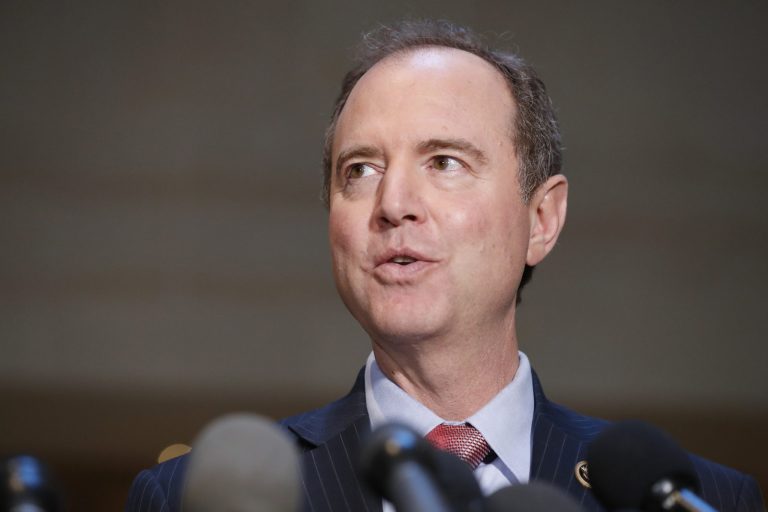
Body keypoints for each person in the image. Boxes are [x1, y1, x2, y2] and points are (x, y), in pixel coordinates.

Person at [126, 20, 765, 512]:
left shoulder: (687, 498)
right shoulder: (195, 497)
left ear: (541, 220)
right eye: (360, 171)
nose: (393, 205)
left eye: (444, 163)